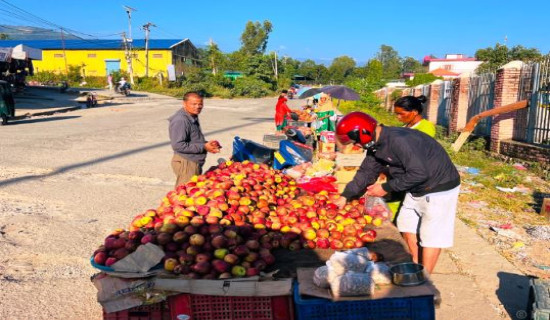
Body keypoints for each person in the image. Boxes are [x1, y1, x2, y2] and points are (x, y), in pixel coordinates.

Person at [334, 112, 460, 274]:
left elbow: (419, 173)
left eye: (355, 142)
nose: (356, 146)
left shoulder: (399, 141)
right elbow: (366, 172)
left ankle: (425, 278)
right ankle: (416, 264)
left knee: (431, 235)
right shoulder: (377, 145)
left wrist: (385, 188)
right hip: (416, 186)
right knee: (406, 223)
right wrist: (346, 196)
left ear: (363, 133)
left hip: (439, 187)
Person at [386, 95, 437, 217]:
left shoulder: (426, 127)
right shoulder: (406, 127)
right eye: (396, 114)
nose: (398, 117)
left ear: (414, 112)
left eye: (401, 114)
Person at [169, 92, 220, 187]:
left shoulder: (191, 116)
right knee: (185, 195)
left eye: (200, 104)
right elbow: (178, 145)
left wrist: (208, 144)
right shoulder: (181, 120)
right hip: (187, 163)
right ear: (184, 103)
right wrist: (204, 146)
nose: (197, 107)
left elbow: (193, 140)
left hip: (193, 162)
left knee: (192, 193)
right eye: (194, 104)